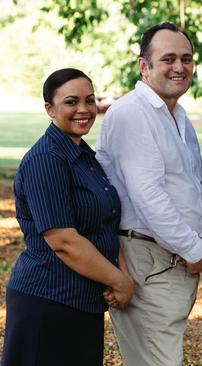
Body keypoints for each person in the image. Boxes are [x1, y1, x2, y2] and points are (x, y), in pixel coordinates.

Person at [95, 22, 202, 366]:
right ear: (144, 66)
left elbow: (200, 190)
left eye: (186, 59)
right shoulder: (132, 113)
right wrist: (195, 249)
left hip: (177, 260)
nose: (179, 67)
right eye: (168, 59)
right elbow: (148, 196)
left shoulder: (179, 116)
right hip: (146, 259)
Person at [2, 68, 134, 366]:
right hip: (47, 303)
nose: (84, 110)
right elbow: (64, 241)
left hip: (82, 301)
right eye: (71, 102)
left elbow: (105, 224)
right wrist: (121, 281)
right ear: (50, 108)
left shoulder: (86, 157)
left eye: (90, 100)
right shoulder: (46, 160)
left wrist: (117, 277)